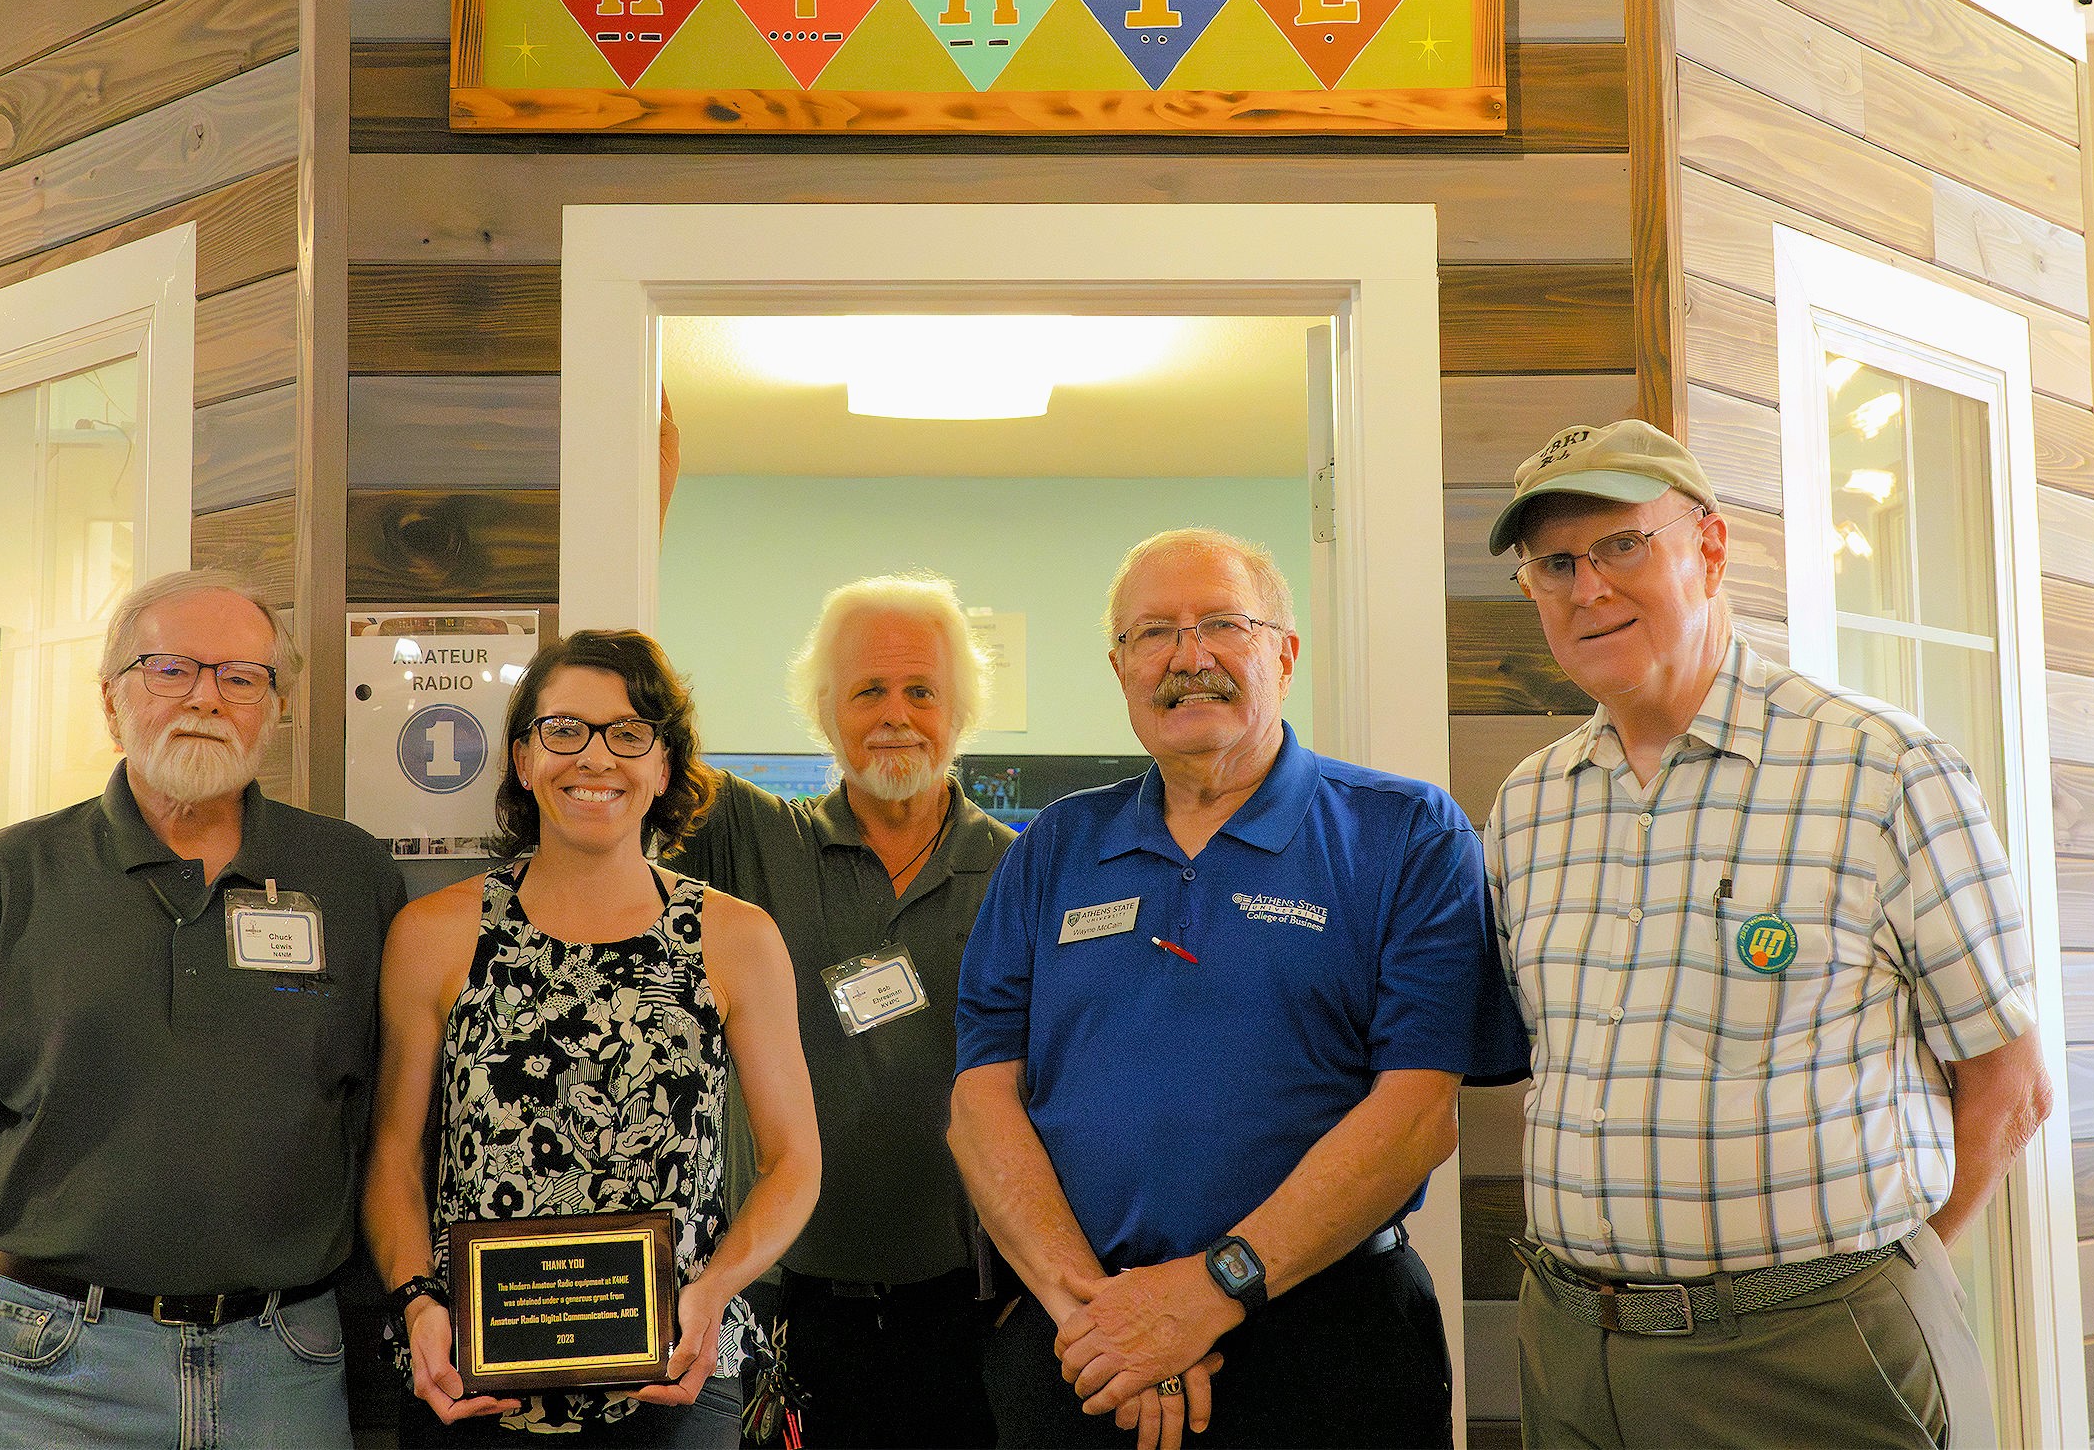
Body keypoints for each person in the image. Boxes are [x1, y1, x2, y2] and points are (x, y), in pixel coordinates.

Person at [1482, 419, 2052, 1449]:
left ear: (1708, 548)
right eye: (1556, 563)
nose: (1588, 588)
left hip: (1818, 1359)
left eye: (1623, 545)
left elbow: (2010, 1085)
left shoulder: (1880, 768)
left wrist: (1882, 1284)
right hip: (1574, 1356)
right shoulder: (1529, 805)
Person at [950, 528, 1528, 1450]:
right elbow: (981, 1102)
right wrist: (1103, 1321)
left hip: (1328, 1347)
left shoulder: (1407, 834)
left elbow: (1418, 1116)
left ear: (1285, 653)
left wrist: (1207, 1292)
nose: (1190, 657)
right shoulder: (1054, 848)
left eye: (1223, 623)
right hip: (1083, 1345)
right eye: (1153, 634)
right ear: (1120, 667)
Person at [0, 569, 404, 1449]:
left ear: (272, 710)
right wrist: (40, 1304)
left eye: (241, 677)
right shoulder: (7, 878)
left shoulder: (350, 880)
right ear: (113, 701)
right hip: (52, 1377)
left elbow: (385, 1123)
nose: (206, 697)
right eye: (171, 670)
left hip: (285, 1367)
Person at [365, 629, 819, 1446]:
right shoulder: (434, 934)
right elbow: (396, 1156)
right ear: (522, 757)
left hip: (674, 1378)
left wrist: (713, 1291)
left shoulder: (734, 938)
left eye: (628, 733)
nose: (595, 757)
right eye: (564, 729)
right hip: (470, 1378)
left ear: (664, 766)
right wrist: (416, 1302)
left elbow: (795, 1164)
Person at [666, 573, 1018, 1449]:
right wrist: (637, 490)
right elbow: (646, 736)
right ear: (824, 712)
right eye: (868, 691)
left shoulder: (1024, 869)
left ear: (959, 712)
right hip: (791, 1316)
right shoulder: (755, 841)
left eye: (921, 691)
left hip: (977, 1317)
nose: (895, 713)